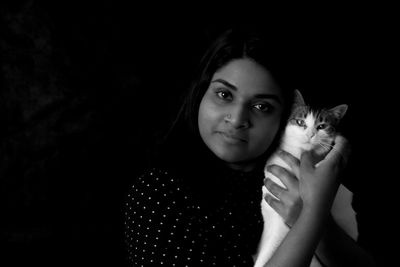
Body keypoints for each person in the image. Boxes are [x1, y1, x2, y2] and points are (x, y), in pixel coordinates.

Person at [123, 26, 376, 266]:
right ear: (200, 93)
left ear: (284, 117)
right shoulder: (158, 194)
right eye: (224, 95)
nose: (237, 118)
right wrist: (312, 214)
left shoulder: (306, 174)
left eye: (261, 107)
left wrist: (319, 223)